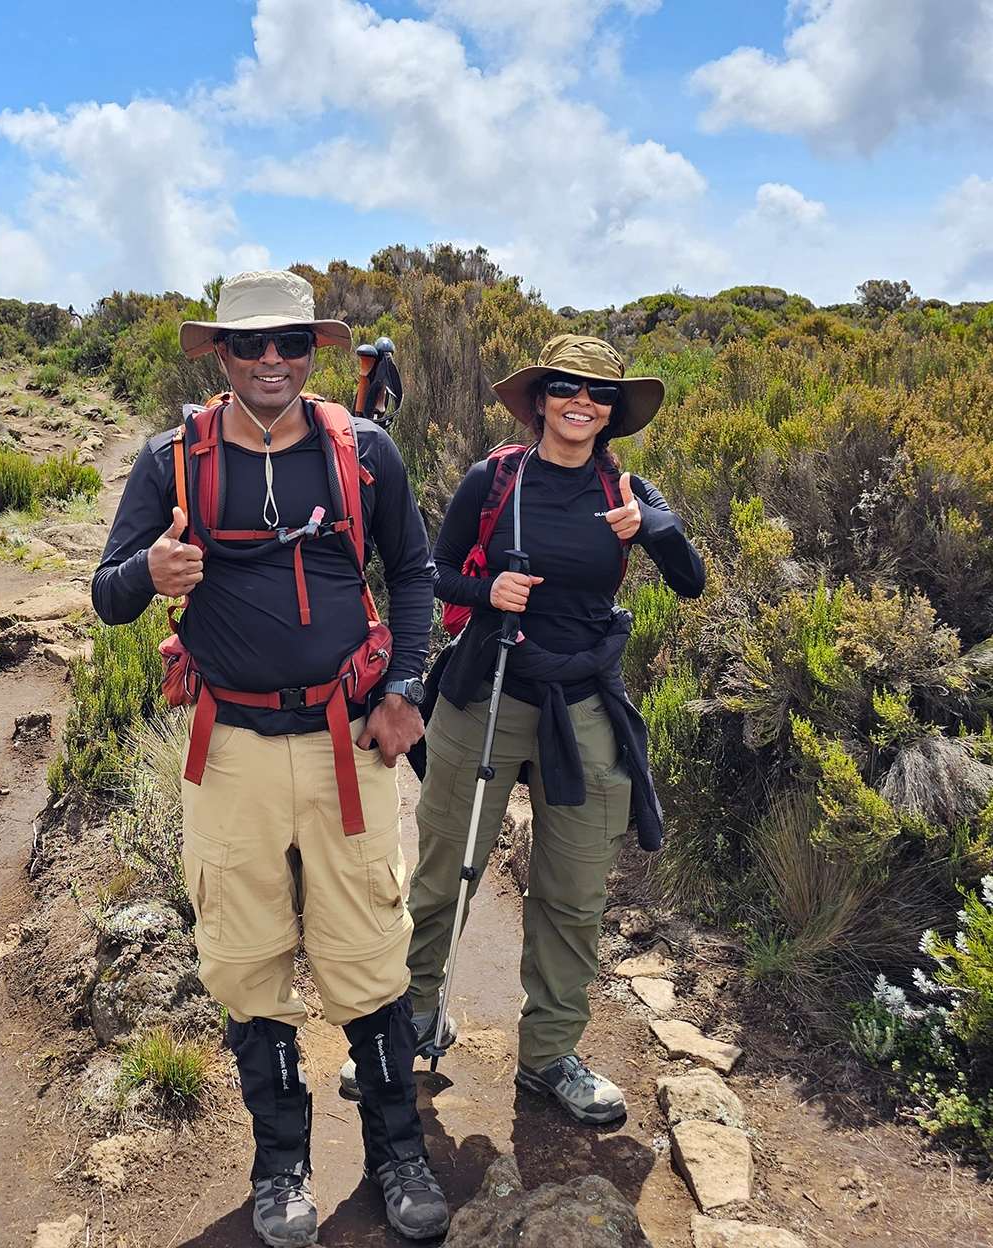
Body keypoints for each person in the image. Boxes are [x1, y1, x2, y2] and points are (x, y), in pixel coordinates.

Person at [93, 270, 448, 1246]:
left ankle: (396, 1153)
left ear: (311, 351)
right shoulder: (171, 462)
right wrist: (146, 572)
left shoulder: (361, 453)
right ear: (220, 353)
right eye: (249, 346)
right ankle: (280, 1163)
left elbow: (411, 570)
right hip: (232, 753)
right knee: (247, 968)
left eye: (289, 344)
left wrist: (407, 689)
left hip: (348, 744)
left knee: (371, 965)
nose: (270, 363)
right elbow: (107, 594)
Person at [396, 333, 705, 1125]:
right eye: (565, 387)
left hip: (584, 704)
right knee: (445, 869)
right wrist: (486, 586)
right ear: (539, 399)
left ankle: (549, 1056)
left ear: (612, 412)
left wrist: (655, 530)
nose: (581, 403)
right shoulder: (496, 478)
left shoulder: (629, 490)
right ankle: (413, 1018)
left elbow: (692, 582)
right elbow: (431, 571)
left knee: (572, 891)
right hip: (487, 691)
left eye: (598, 394)